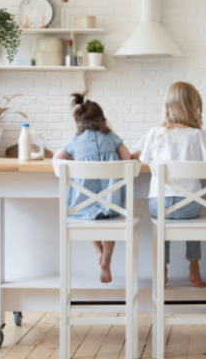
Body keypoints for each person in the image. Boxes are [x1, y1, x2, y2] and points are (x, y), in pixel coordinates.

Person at [131, 81, 206, 288]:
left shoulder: (154, 134)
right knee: (192, 219)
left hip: (160, 203)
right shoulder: (198, 135)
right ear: (193, 107)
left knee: (162, 221)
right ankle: (194, 268)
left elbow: (137, 157)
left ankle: (163, 269)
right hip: (189, 205)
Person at [53, 91, 131, 284]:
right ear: (104, 120)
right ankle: (107, 258)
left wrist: (74, 159)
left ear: (77, 124)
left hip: (81, 207)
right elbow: (127, 159)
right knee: (108, 223)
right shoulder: (112, 137)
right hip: (111, 205)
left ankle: (98, 251)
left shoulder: (75, 140)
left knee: (89, 217)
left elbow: (56, 159)